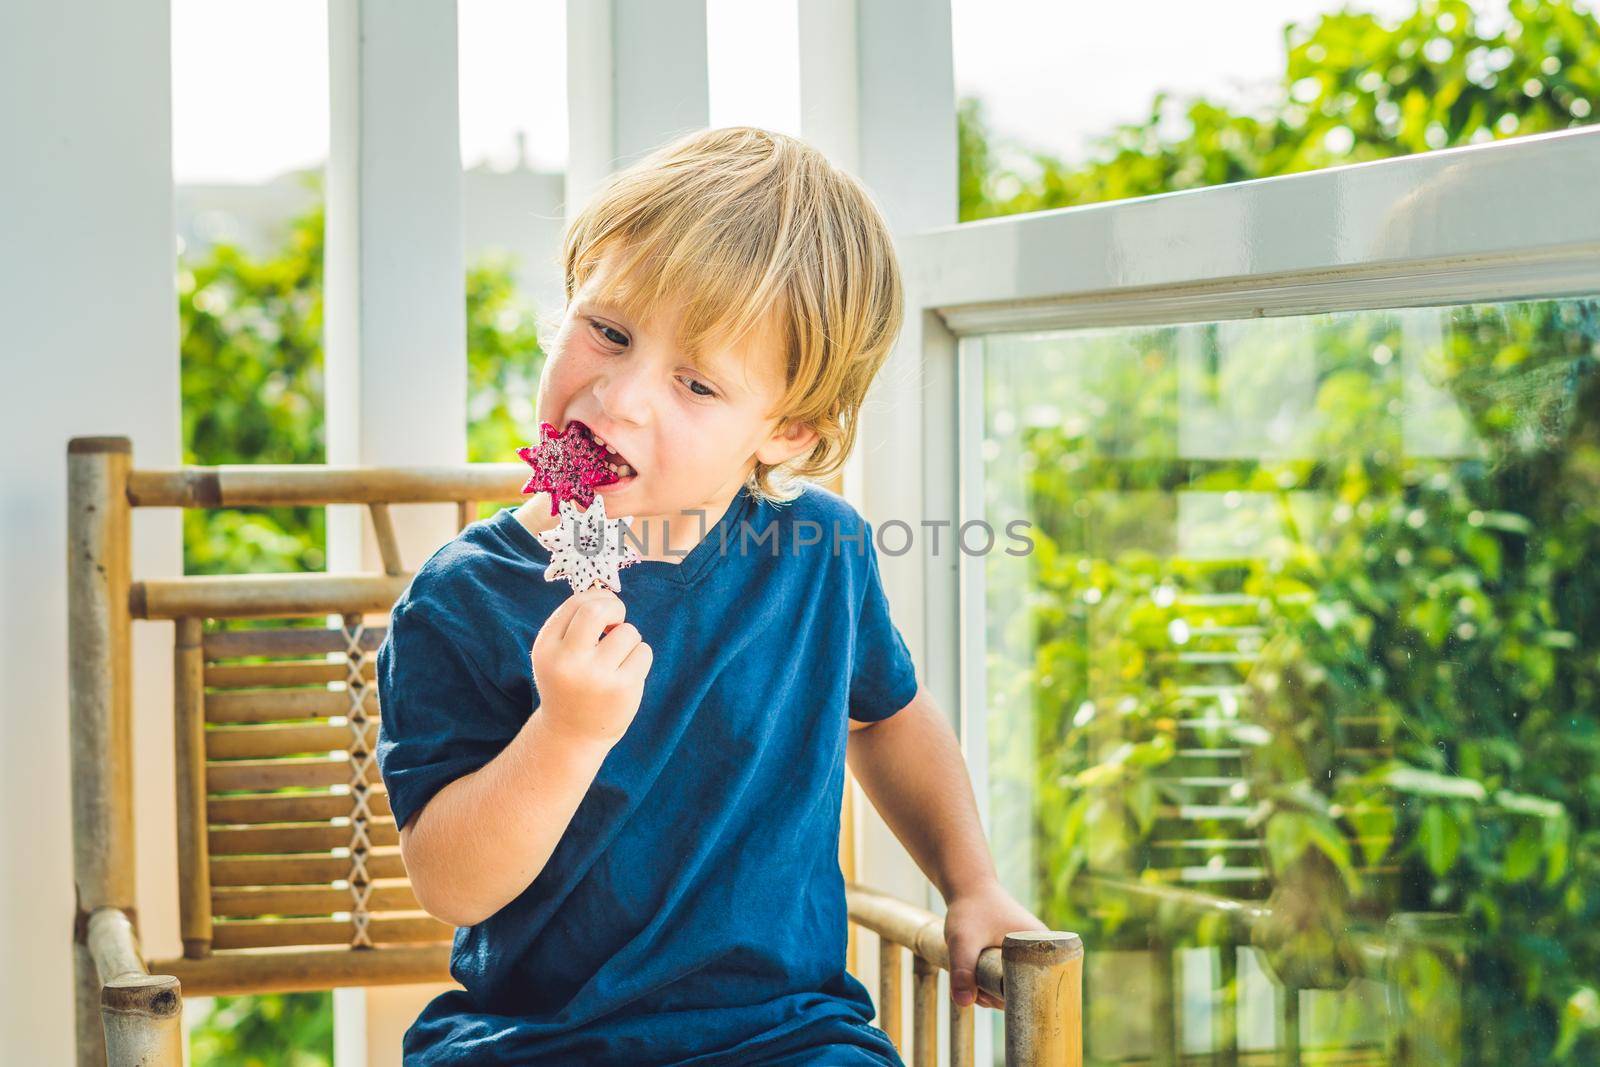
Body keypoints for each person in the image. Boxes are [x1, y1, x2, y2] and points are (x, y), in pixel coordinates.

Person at [376, 125, 1047, 1066]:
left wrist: (970, 881)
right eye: (608, 330)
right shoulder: (463, 598)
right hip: (539, 1039)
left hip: (789, 1033)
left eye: (696, 382)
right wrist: (566, 732)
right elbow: (451, 882)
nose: (621, 397)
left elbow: (889, 720)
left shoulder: (819, 553)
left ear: (790, 431)